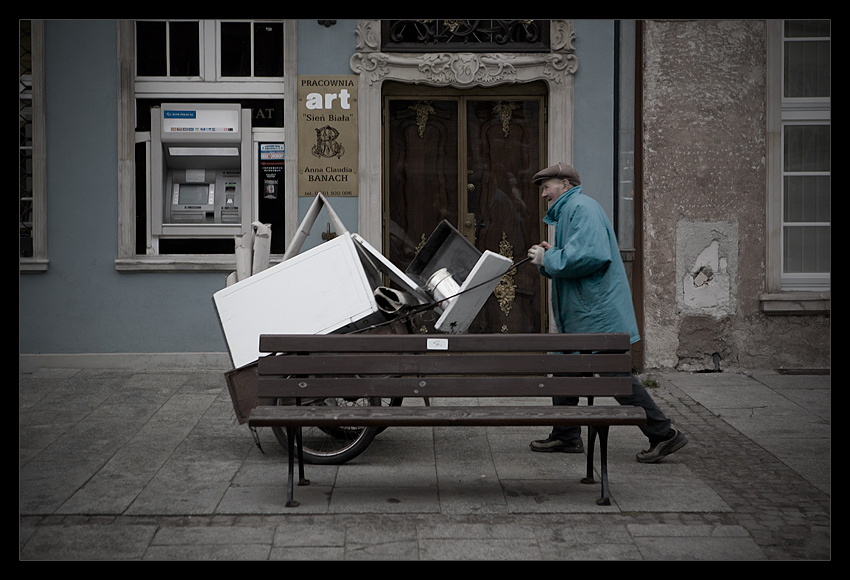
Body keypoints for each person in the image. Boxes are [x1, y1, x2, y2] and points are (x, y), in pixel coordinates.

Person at [526, 162, 687, 463]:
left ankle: (664, 434)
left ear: (565, 183)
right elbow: (573, 261)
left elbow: (589, 256)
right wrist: (551, 259)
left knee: (616, 379)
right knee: (566, 371)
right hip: (586, 316)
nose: (544, 193)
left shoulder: (581, 208)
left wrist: (549, 257)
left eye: (547, 186)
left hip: (597, 317)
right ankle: (565, 434)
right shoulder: (571, 211)